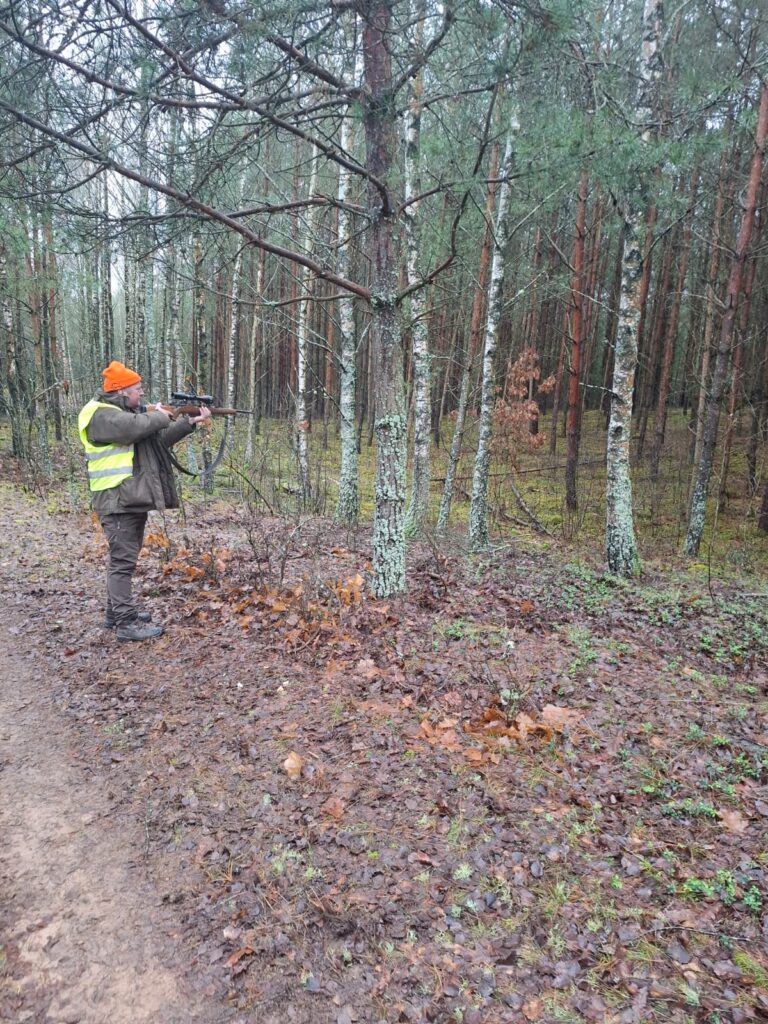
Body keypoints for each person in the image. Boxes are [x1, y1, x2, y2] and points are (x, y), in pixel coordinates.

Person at [78, 360, 211, 641]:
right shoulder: (100, 415)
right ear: (122, 391)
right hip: (116, 498)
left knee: (124, 558)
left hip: (129, 497)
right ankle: (126, 624)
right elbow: (134, 428)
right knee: (122, 562)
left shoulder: (126, 413)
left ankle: (115, 614)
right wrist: (162, 415)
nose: (142, 392)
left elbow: (155, 442)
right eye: (137, 388)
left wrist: (187, 422)